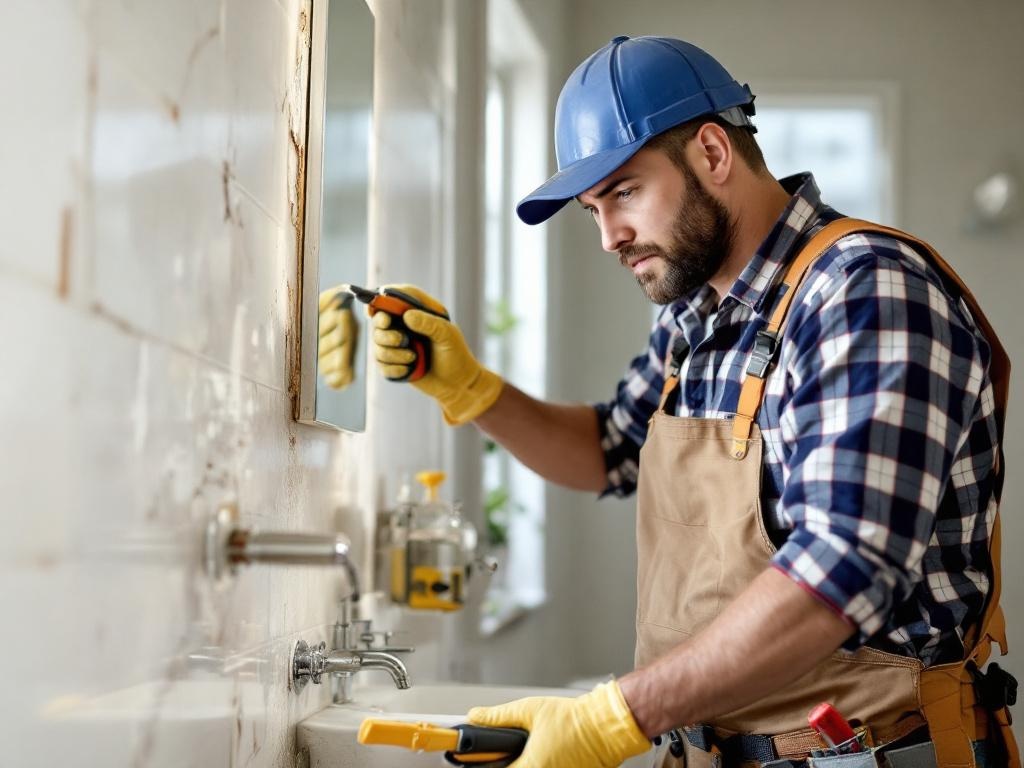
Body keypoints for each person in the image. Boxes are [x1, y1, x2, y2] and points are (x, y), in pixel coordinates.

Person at [321, 36, 1018, 768]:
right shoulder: (695, 318)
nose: (608, 237)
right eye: (593, 208)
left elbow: (842, 572)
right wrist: (470, 389)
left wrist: (612, 719)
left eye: (623, 193)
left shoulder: (864, 291)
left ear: (714, 153)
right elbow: (609, 452)